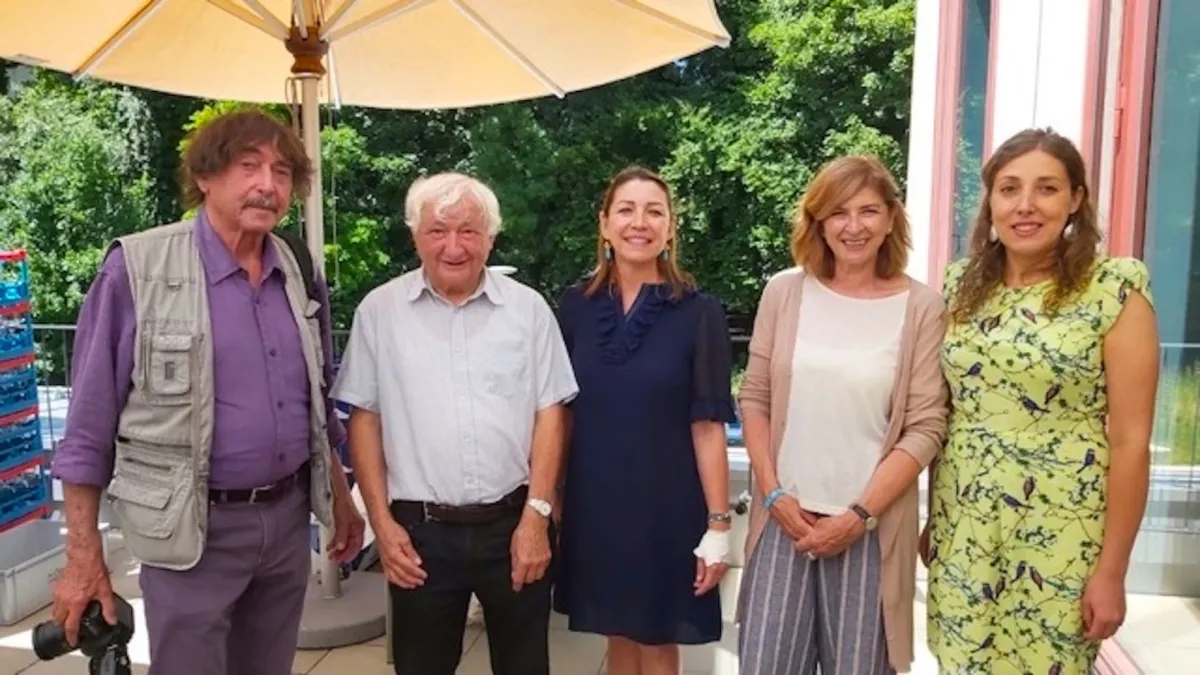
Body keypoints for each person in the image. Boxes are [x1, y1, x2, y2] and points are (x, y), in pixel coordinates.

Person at [50, 108, 366, 675]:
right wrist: (82, 556)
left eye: (282, 172)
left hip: (288, 520)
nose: (267, 185)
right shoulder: (137, 269)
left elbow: (319, 400)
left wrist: (340, 496)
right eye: (249, 166)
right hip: (191, 530)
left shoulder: (296, 266)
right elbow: (87, 428)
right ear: (204, 177)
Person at [924, 128, 1159, 674]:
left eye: (1046, 188)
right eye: (1009, 189)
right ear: (991, 202)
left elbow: (1131, 441)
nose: (1025, 205)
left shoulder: (1114, 289)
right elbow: (949, 415)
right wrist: (933, 518)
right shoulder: (961, 286)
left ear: (1076, 199)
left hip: (1061, 532)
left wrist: (1112, 571)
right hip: (965, 528)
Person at [332, 172, 579, 675]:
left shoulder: (528, 310)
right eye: (437, 230)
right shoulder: (379, 311)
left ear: (490, 237)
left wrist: (537, 515)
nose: (453, 246)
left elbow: (552, 412)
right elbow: (365, 420)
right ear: (415, 235)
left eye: (469, 231)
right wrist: (382, 522)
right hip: (419, 534)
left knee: (526, 666)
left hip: (515, 524)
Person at [735, 155, 949, 675]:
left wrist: (857, 516)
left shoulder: (923, 307)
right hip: (784, 521)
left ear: (892, 218)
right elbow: (756, 396)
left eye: (869, 211)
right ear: (818, 222)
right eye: (838, 213)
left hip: (869, 532)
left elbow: (925, 427)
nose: (854, 226)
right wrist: (774, 494)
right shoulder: (784, 292)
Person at [552, 166, 737, 675]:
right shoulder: (576, 307)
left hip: (667, 509)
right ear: (605, 224)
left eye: (655, 211)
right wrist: (552, 495)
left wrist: (719, 524)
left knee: (657, 640)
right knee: (617, 635)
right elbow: (559, 413)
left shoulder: (700, 313)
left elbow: (708, 424)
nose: (641, 222)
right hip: (596, 505)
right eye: (627, 210)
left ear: (671, 227)